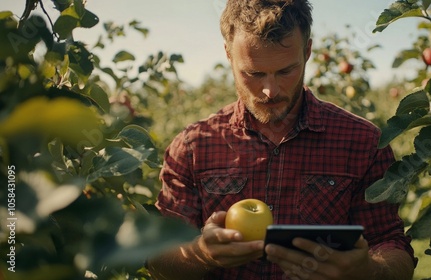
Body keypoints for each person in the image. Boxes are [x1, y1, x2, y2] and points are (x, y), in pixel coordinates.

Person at [147, 0, 416, 279]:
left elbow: (391, 243)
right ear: (228, 54)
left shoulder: (362, 142)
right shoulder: (193, 147)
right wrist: (202, 254)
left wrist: (370, 270)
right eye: (253, 73)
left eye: (286, 71)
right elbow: (157, 258)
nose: (270, 91)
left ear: (308, 51)